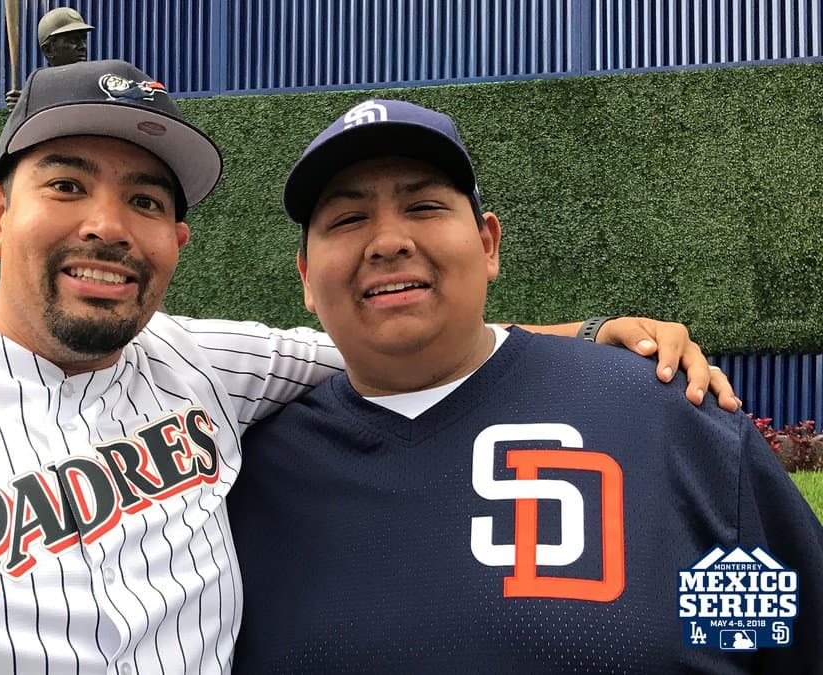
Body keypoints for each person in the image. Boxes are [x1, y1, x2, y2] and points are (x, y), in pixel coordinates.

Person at [0, 61, 735, 675]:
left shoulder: (206, 363)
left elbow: (397, 330)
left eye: (147, 200)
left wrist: (598, 334)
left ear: (177, 241)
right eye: (67, 183)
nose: (108, 224)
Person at [227, 99, 823, 673]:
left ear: (488, 244)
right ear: (306, 278)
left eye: (424, 206)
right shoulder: (244, 477)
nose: (388, 242)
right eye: (348, 219)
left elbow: (787, 642)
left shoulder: (669, 419)